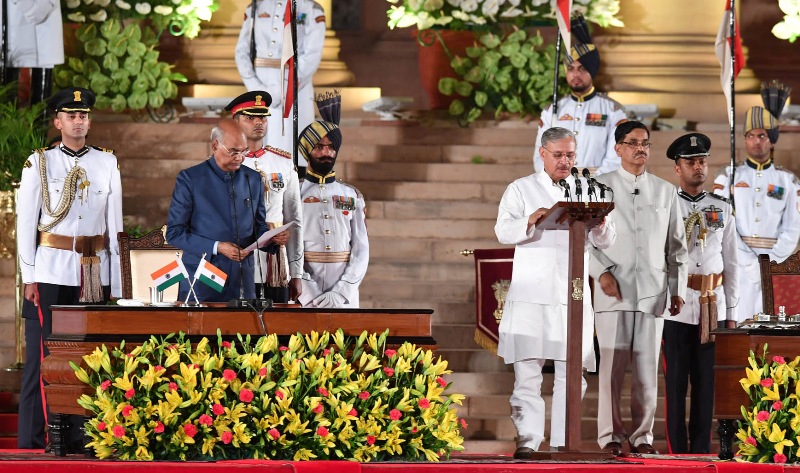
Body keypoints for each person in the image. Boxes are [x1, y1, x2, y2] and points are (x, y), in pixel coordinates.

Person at [495, 127, 616, 458]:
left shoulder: (586, 189)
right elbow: (502, 230)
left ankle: (566, 440)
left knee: (571, 372)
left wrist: (602, 224)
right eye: (559, 155)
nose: (565, 161)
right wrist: (530, 220)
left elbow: (607, 240)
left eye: (570, 155)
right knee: (528, 369)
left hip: (572, 293)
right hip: (532, 291)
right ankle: (528, 440)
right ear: (542, 153)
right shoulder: (521, 188)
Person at [16, 87, 122, 450]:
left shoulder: (106, 163)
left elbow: (115, 225)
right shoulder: (39, 163)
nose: (79, 121)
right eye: (71, 115)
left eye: (84, 115)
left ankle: (83, 437)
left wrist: (118, 281)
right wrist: (28, 277)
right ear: (58, 121)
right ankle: (31, 440)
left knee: (89, 355)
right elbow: (27, 224)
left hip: (93, 269)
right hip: (49, 270)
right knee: (42, 358)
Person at [589, 120, 688, 455]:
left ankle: (643, 437)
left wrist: (678, 288)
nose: (640, 149)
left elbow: (677, 247)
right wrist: (600, 273)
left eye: (645, 143)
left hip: (652, 290)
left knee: (646, 372)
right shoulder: (599, 187)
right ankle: (611, 437)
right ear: (618, 148)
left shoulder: (665, 190)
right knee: (612, 370)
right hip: (612, 289)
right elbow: (584, 241)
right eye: (632, 143)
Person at [663, 133, 738, 454]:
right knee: (676, 384)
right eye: (691, 161)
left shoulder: (721, 207)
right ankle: (678, 452)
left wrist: (732, 313)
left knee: (707, 385)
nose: (698, 167)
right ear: (677, 168)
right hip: (677, 305)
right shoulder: (666, 206)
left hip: (712, 305)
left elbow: (732, 262)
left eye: (702, 161)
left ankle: (701, 450)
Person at [712, 83, 800, 320]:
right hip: (737, 264)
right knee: (737, 328)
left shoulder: (788, 181)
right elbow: (722, 224)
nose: (756, 141)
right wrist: (752, 264)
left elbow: (793, 227)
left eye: (762, 135)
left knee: (772, 329)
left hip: (775, 267)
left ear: (772, 140)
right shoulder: (728, 176)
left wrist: (771, 263)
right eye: (750, 135)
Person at [166, 118, 268, 303]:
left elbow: (259, 227)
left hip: (244, 280)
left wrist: (273, 239)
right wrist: (218, 247)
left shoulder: (252, 179)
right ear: (215, 145)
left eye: (243, 151)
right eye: (233, 152)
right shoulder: (190, 179)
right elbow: (174, 234)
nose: (239, 157)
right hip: (203, 277)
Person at [225, 91, 303, 303]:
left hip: (274, 260)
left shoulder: (283, 163)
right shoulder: (223, 163)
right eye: (250, 117)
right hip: (237, 255)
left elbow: (294, 220)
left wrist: (297, 272)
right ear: (236, 122)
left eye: (262, 117)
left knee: (277, 324)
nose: (258, 122)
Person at [297, 91, 368, 308]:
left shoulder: (351, 195)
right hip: (304, 293)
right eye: (319, 147)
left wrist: (342, 291)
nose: (326, 152)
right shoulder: (295, 194)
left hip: (344, 294)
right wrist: (309, 293)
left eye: (331, 147)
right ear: (307, 150)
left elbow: (361, 248)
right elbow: (290, 249)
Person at [234, 0, 326, 167]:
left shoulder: (310, 8)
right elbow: (242, 52)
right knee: (254, 156)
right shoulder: (256, 6)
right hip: (259, 85)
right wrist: (255, 88)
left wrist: (284, 88)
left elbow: (313, 54)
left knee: (290, 154)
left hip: (296, 89)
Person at [533, 15, 626, 176]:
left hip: (598, 187)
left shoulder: (613, 110)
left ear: (592, 71)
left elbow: (616, 158)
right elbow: (539, 155)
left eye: (582, 68)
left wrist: (591, 181)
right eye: (571, 68)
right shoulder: (552, 110)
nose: (575, 74)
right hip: (559, 186)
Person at [1, 0, 63, 103]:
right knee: (8, 86)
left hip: (45, 16)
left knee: (41, 100)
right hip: (9, 22)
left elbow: (40, 11)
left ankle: (41, 118)